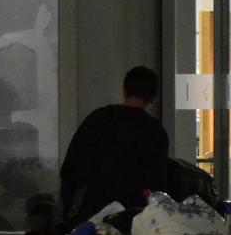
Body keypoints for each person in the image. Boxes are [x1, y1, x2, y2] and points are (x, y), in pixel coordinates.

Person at [61, 66, 169, 226]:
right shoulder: (156, 132)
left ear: (125, 91)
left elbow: (71, 169)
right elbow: (156, 184)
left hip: (91, 215)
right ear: (153, 97)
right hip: (133, 220)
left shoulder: (98, 119)